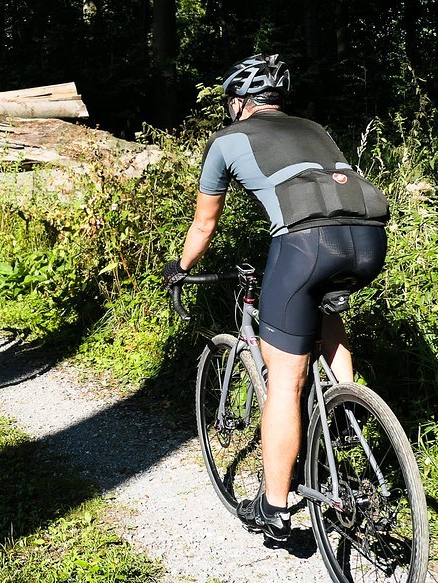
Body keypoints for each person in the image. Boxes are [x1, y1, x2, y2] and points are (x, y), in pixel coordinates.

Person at [165, 53, 390, 542]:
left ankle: (275, 507)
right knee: (328, 313)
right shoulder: (314, 127)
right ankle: (345, 413)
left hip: (306, 245)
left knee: (286, 383)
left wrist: (179, 269)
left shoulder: (226, 140)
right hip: (370, 241)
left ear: (241, 104)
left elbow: (205, 223)